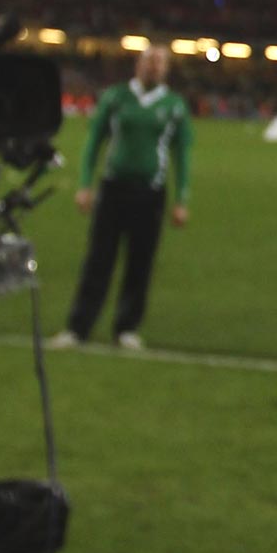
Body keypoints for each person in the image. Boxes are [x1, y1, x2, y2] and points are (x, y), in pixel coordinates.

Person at [49, 44, 192, 351]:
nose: (153, 67)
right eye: (149, 61)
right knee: (98, 259)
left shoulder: (175, 105)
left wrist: (181, 198)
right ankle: (78, 327)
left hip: (151, 193)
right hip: (113, 188)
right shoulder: (115, 98)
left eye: (159, 63)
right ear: (138, 64)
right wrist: (85, 184)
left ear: (166, 69)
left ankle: (126, 327)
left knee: (140, 263)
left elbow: (182, 154)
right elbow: (94, 142)